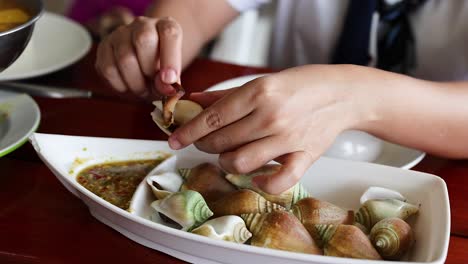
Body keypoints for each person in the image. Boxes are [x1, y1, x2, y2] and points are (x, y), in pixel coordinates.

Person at [95, 0, 468, 194]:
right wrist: (154, 51)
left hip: (440, 182)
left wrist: (352, 95)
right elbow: (193, 10)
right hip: (265, 166)